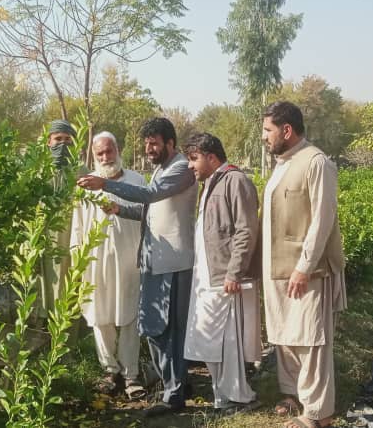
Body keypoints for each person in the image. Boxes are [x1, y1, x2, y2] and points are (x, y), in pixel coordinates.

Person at [77, 117, 198, 417]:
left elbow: (149, 195)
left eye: (154, 143)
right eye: (146, 143)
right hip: (154, 261)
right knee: (155, 327)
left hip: (174, 261)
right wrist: (118, 209)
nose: (149, 148)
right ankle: (172, 384)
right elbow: (148, 210)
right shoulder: (161, 168)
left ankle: (176, 391)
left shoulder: (180, 168)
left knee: (171, 328)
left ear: (170, 143)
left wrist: (106, 184)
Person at [259, 101, 347, 428]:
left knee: (311, 338)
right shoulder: (283, 163)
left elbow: (322, 220)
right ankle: (294, 393)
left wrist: (304, 267)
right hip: (277, 270)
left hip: (306, 271)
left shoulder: (316, 162)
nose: (264, 138)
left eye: (268, 131)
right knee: (285, 334)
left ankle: (317, 415)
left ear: (286, 130)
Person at [181, 132, 262, 413]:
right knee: (207, 340)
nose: (190, 166)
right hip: (207, 277)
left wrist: (234, 273)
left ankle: (239, 397)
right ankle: (222, 396)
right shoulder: (211, 183)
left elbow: (246, 229)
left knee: (227, 342)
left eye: (194, 159)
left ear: (211, 157)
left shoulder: (235, 181)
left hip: (225, 278)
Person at [70, 131, 146, 399]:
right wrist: (77, 261)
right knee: (99, 317)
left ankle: (131, 375)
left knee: (129, 318)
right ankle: (109, 370)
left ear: (118, 149)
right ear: (93, 156)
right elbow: (77, 227)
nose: (105, 157)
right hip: (95, 263)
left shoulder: (137, 182)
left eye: (109, 151)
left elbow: (148, 219)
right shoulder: (84, 186)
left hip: (129, 263)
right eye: (100, 153)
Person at [42, 119, 77, 313]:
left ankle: (66, 341)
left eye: (67, 139)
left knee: (66, 290)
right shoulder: (37, 172)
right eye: (58, 139)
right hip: (41, 241)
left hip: (67, 241)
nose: (63, 144)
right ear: (49, 142)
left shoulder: (81, 173)